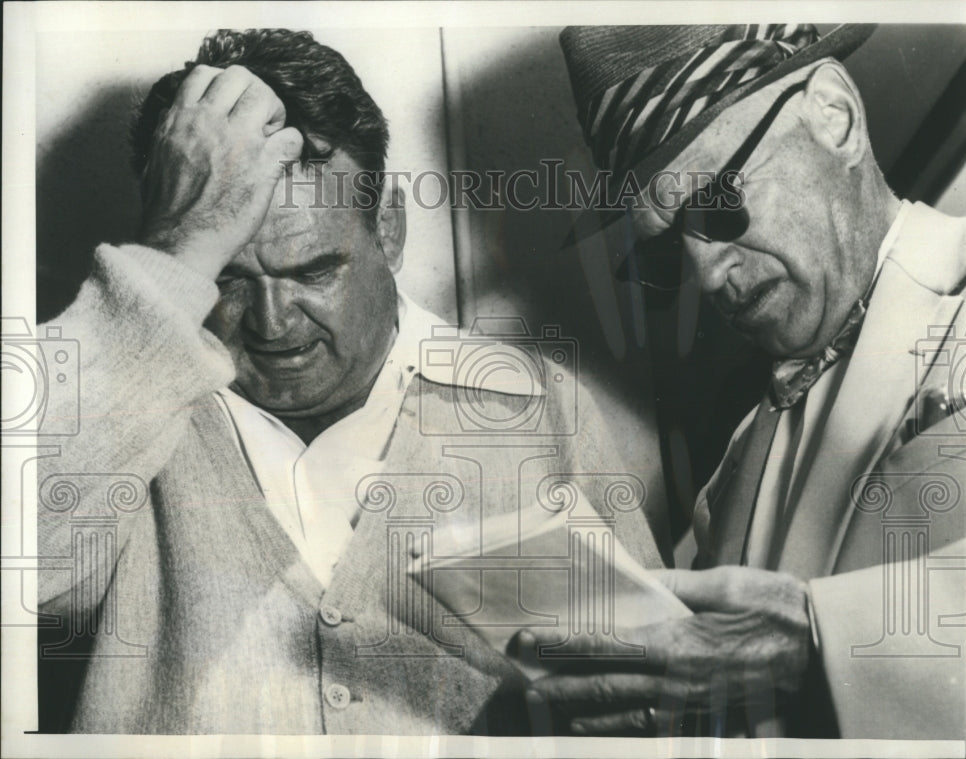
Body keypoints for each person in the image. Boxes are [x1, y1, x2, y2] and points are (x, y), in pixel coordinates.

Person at [35, 28, 664, 734]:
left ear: (389, 230)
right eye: (228, 277)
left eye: (313, 271)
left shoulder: (536, 408)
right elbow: (22, 573)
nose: (273, 323)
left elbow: (655, 707)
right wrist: (175, 255)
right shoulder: (126, 404)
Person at [515, 23, 966, 739]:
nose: (707, 275)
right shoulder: (729, 481)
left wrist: (819, 647)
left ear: (834, 117)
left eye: (716, 203)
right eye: (667, 253)